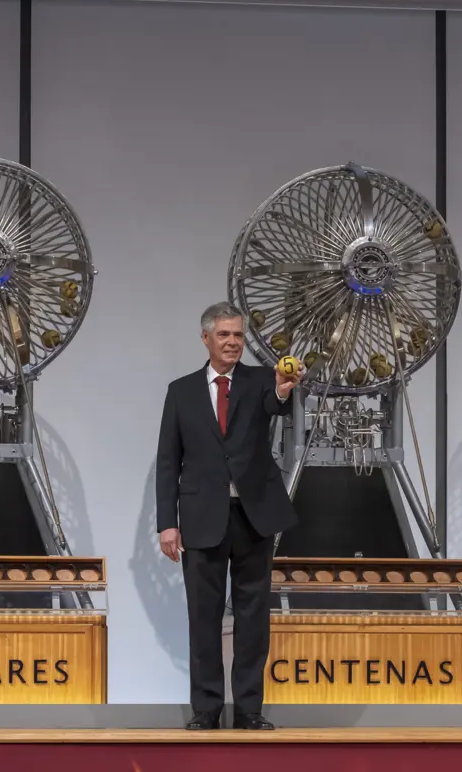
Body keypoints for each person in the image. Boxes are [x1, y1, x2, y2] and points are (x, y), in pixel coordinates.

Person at [156, 301, 302, 730]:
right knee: (203, 615)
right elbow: (169, 460)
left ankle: (250, 711)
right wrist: (167, 522)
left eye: (238, 335)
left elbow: (276, 406)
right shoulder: (180, 391)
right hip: (201, 516)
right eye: (224, 335)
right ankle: (206, 709)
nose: (233, 342)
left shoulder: (262, 380)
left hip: (253, 515)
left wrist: (283, 389)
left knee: (253, 616)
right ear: (206, 338)